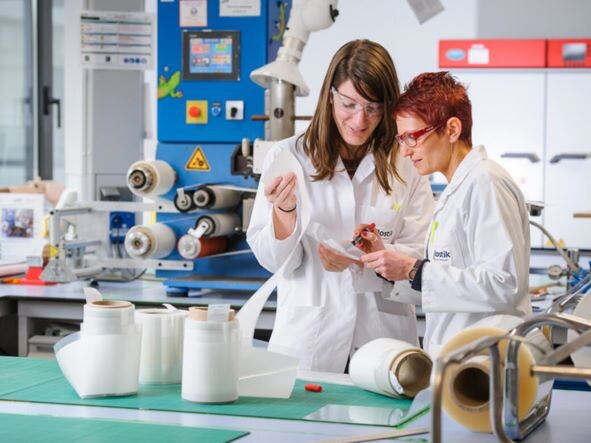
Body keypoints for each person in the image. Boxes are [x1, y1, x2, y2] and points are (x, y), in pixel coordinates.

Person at [247, 39, 434, 372]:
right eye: (349, 104)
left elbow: (421, 262)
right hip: (309, 343)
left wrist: (367, 261)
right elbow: (272, 261)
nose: (360, 120)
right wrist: (285, 212)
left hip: (384, 345)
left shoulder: (407, 162)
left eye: (373, 108)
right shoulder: (288, 157)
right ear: (330, 95)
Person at [359, 71, 532, 357]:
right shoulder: (458, 189)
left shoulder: (485, 182)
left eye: (412, 137)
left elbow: (504, 284)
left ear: (452, 130)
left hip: (483, 362)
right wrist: (392, 266)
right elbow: (450, 286)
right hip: (459, 360)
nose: (405, 151)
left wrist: (414, 269)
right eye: (401, 139)